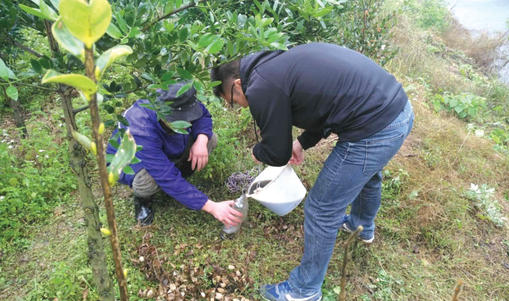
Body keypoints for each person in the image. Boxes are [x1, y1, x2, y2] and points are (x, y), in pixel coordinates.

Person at [210, 43, 414, 301]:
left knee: (321, 209)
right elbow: (323, 105)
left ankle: (303, 291)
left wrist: (259, 151)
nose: (240, 106)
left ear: (238, 84)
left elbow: (276, 154)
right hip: (399, 110)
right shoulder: (275, 66)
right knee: (367, 174)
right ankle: (360, 226)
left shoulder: (261, 86)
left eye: (233, 100)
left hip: (375, 127)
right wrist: (302, 142)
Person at [106, 81, 242, 228]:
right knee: (147, 180)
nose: (187, 122)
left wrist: (202, 140)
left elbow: (203, 116)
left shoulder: (182, 98)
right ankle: (143, 201)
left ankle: (181, 177)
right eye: (179, 118)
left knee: (210, 138)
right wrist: (212, 207)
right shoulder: (140, 128)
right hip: (134, 161)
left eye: (188, 116)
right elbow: (165, 175)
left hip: (167, 146)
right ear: (161, 112)